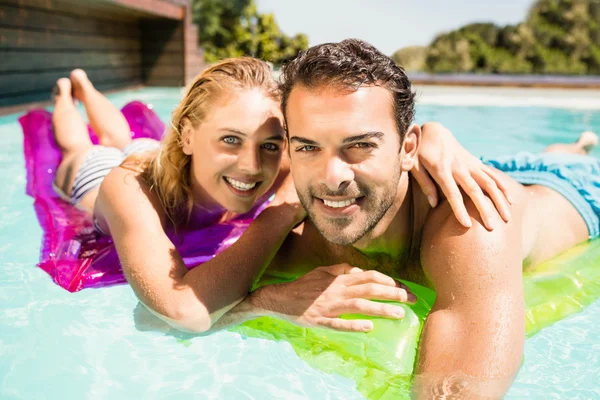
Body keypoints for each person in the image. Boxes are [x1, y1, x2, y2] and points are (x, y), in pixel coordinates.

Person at [205, 40, 600, 397]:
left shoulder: (471, 227)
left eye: (359, 145)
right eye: (309, 147)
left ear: (408, 148)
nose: (332, 176)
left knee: (565, 157)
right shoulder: (285, 210)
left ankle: (577, 147)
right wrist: (267, 302)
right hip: (459, 165)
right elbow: (186, 311)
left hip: (571, 189)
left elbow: (460, 392)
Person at [49, 61, 509, 333]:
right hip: (94, 179)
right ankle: (69, 95)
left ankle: (88, 87)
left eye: (270, 145)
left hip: (165, 157)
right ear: (187, 135)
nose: (253, 166)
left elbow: (362, 139)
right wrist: (271, 280)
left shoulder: (280, 160)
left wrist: (433, 135)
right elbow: (183, 311)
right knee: (86, 146)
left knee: (121, 132)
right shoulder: (127, 190)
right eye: (230, 139)